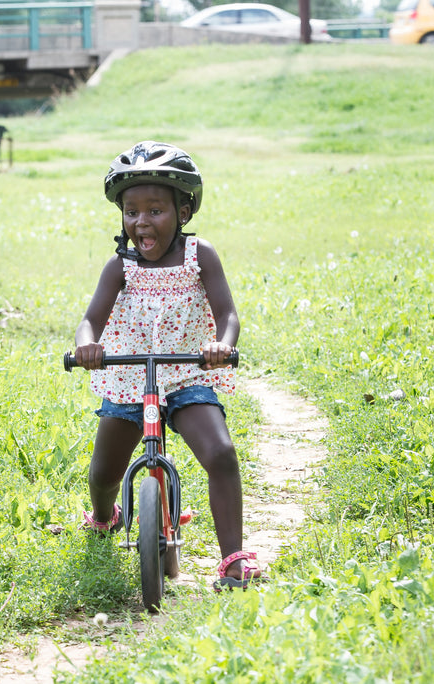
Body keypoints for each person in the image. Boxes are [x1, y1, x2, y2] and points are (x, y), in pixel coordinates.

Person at [72, 141, 262, 591]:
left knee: (221, 453)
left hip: (185, 374)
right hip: (128, 376)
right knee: (103, 473)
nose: (142, 221)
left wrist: (221, 343)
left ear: (184, 212)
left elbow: (227, 314)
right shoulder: (120, 265)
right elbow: (90, 321)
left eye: (155, 209)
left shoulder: (202, 257)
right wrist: (86, 346)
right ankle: (105, 518)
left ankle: (233, 559)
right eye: (131, 211)